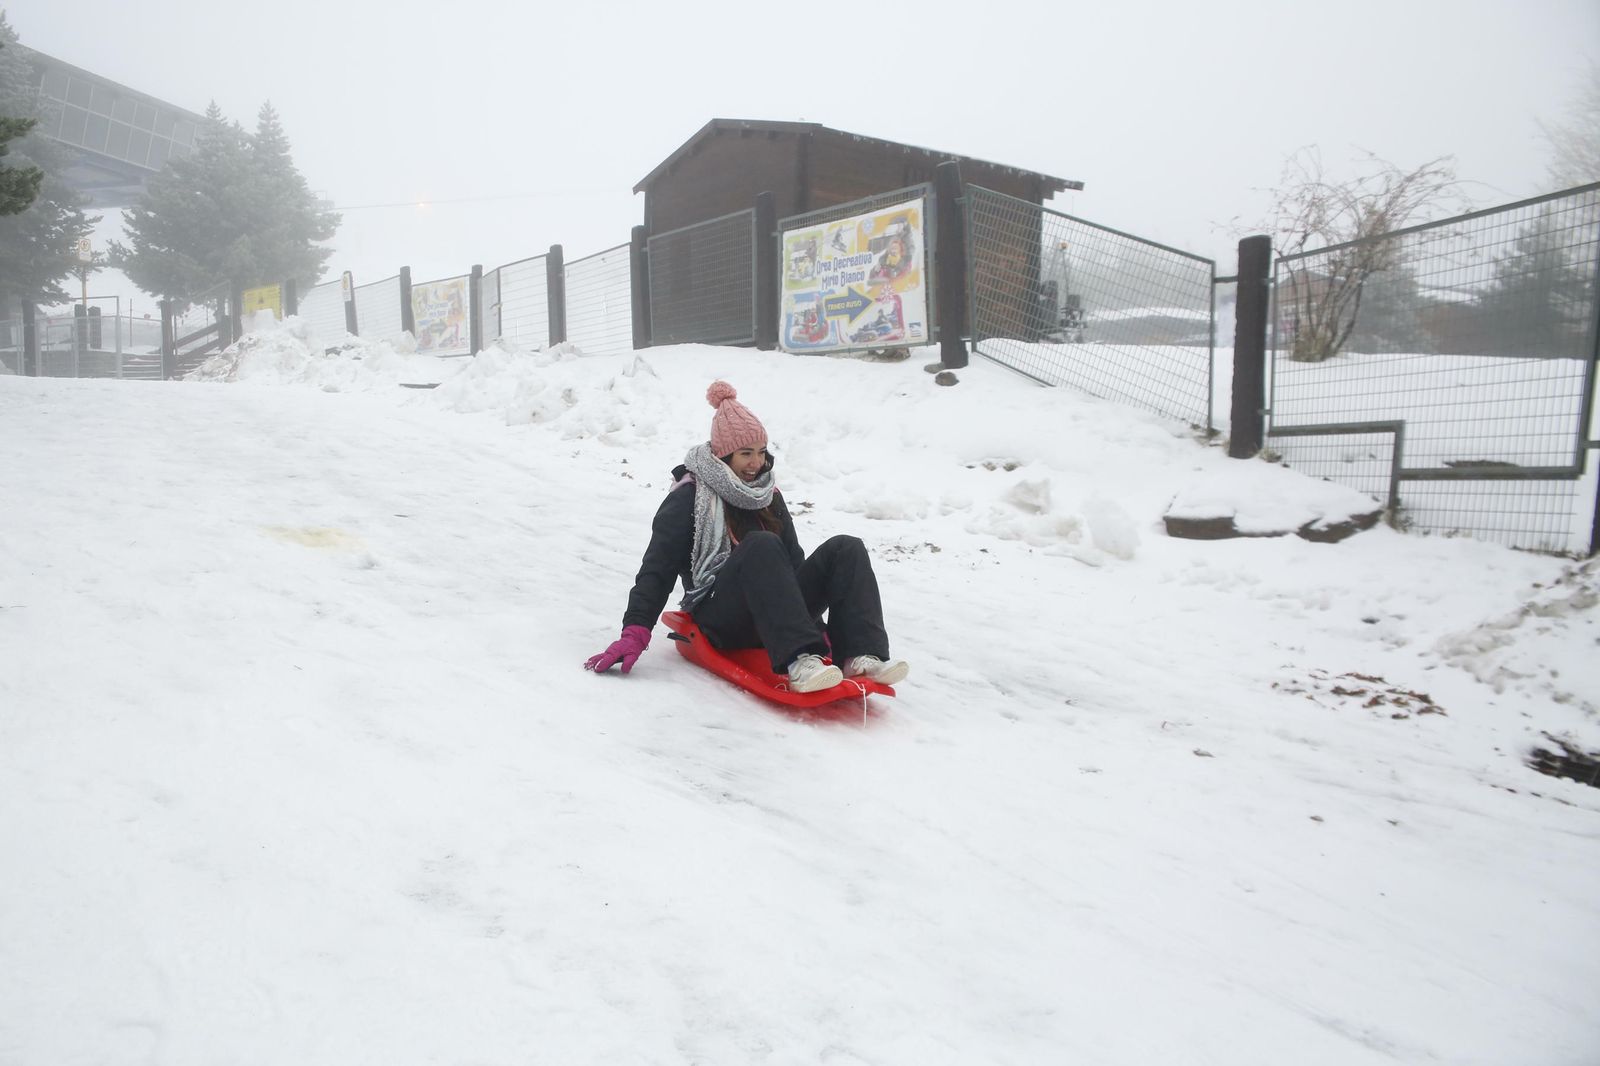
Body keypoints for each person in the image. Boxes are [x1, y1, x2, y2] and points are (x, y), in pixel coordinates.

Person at [584, 381, 910, 694]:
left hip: (771, 611)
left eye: (761, 452)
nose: (757, 463)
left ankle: (860, 655)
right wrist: (635, 631)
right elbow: (657, 568)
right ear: (724, 455)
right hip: (721, 615)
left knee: (846, 547)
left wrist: (816, 629)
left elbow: (793, 566)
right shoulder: (689, 497)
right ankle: (800, 663)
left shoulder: (768, 494)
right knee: (762, 544)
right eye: (745, 454)